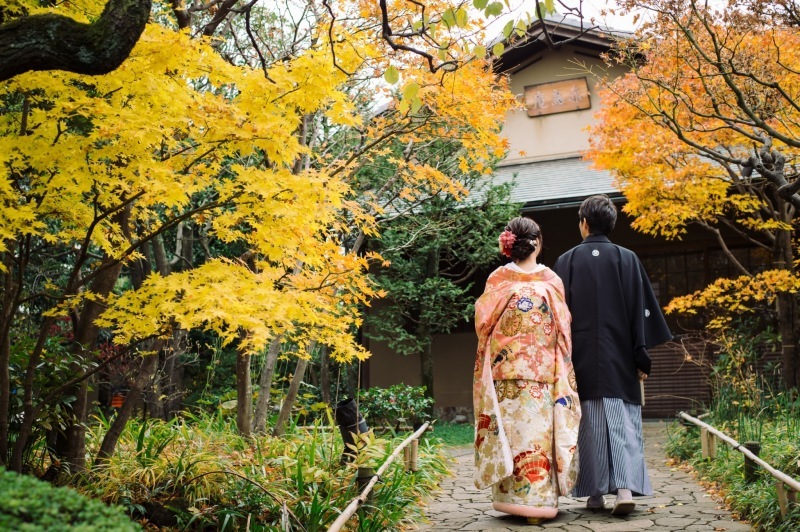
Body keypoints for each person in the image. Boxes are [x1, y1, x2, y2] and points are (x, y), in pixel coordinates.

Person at [553, 194, 672, 516]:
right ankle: (624, 490)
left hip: (581, 360)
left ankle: (594, 494)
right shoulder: (627, 259)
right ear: (610, 223)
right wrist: (640, 355)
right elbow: (640, 310)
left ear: (584, 223)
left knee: (588, 425)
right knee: (622, 424)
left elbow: (559, 318)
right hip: (620, 358)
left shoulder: (566, 261)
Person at [473, 216, 581, 524]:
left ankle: (509, 499)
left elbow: (483, 324)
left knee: (510, 435)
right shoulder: (551, 281)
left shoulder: (498, 279)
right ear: (538, 244)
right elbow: (563, 328)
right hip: (543, 373)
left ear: (510, 245)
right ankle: (537, 502)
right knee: (537, 437)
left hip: (504, 372)